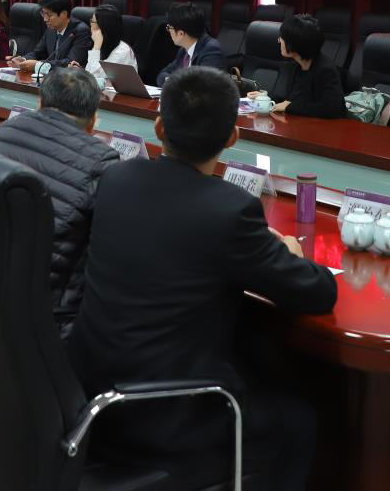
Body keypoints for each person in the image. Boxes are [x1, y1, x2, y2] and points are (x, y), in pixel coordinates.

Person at [68, 67, 337, 491]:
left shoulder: (116, 179)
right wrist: (290, 253)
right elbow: (318, 292)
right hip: (166, 417)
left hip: (86, 396)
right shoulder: (229, 210)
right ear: (233, 137)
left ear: (159, 127)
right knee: (298, 420)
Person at [0, 67, 119, 324]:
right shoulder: (101, 161)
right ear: (93, 119)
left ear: (40, 103)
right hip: (46, 312)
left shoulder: (4, 131)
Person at [255, 14, 346, 118]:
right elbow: (290, 101)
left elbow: (332, 109)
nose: (279, 41)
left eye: (282, 38)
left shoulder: (326, 70)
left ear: (295, 44)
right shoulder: (296, 65)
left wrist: (290, 107)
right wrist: (265, 98)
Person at [11, 0, 89, 72]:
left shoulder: (81, 31)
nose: (45, 19)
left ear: (64, 14)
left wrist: (39, 66)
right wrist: (23, 60)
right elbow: (38, 53)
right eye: (43, 14)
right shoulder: (51, 28)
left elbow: (70, 63)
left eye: (49, 15)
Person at [155, 2, 225, 86]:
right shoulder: (184, 50)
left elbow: (205, 86)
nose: (169, 31)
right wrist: (172, 81)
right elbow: (162, 75)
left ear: (181, 33)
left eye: (169, 28)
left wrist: (173, 82)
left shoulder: (211, 51)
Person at [84, 5, 136, 78]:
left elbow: (93, 77)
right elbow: (89, 72)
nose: (90, 24)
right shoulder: (104, 44)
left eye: (92, 21)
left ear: (102, 26)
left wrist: (96, 47)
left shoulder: (121, 52)